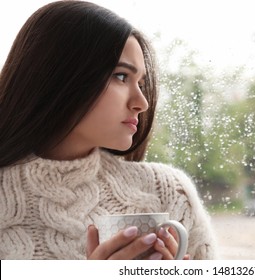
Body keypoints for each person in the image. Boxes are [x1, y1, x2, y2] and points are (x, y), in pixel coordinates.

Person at [0, 1, 218, 260]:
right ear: (59, 76)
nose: (142, 102)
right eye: (122, 76)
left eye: (141, 82)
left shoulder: (170, 192)